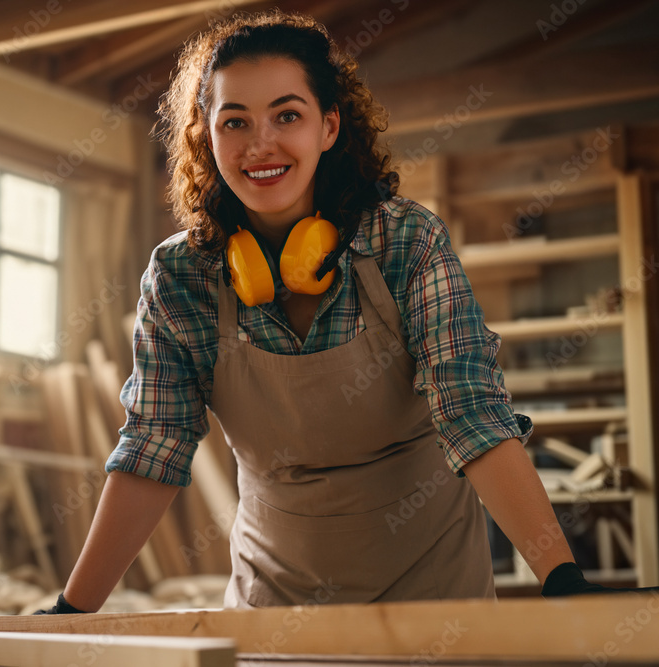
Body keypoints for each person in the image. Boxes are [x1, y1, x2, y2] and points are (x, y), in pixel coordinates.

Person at [37, 10, 642, 614]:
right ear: (207, 135)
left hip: (431, 592)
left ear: (329, 127)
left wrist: (562, 581)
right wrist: (72, 610)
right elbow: (154, 447)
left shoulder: (408, 242)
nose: (260, 144)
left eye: (287, 115)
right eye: (235, 121)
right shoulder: (181, 277)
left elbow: (473, 415)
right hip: (272, 599)